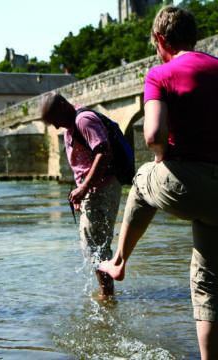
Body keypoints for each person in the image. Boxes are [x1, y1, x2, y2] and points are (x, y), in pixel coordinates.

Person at [99, 6, 218, 359]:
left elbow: (154, 134)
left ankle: (119, 261)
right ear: (194, 37)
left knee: (143, 177)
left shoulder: (160, 73)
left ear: (161, 40)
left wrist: (161, 155)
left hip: (184, 182)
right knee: (210, 279)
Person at [41, 92, 122, 299]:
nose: (56, 127)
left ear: (63, 105)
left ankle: (107, 296)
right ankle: (107, 292)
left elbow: (105, 153)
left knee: (96, 246)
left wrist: (84, 188)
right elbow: (83, 163)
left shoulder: (83, 120)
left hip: (101, 190)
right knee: (94, 245)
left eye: (55, 120)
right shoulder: (71, 125)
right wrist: (81, 193)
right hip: (92, 191)